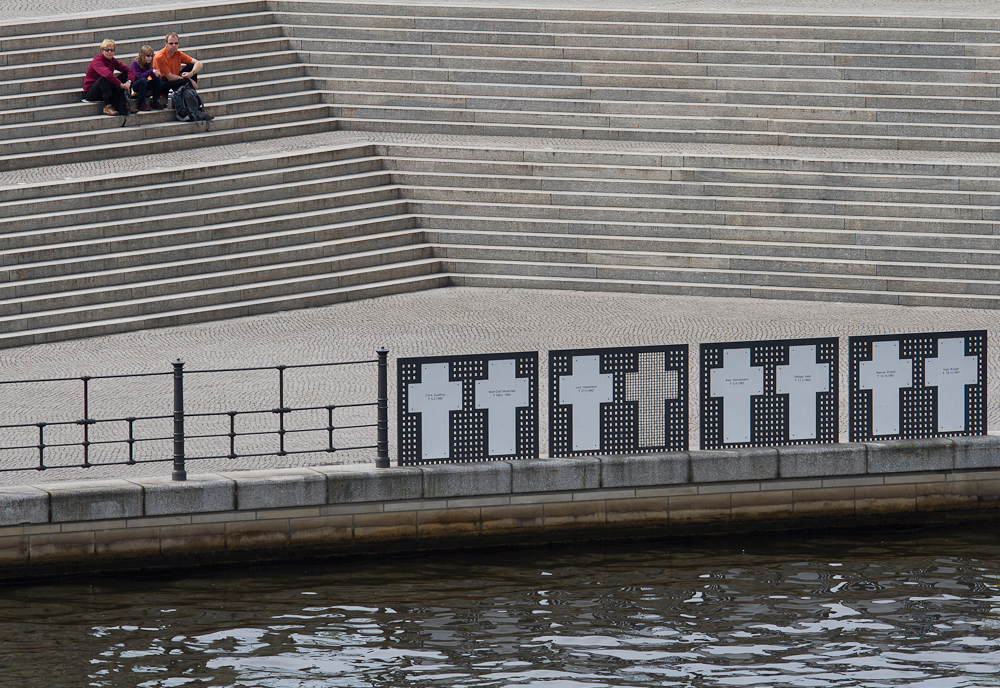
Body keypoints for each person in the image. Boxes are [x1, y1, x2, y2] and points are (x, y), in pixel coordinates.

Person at [82, 39, 134, 116]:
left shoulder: (113, 61)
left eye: (111, 50)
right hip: (92, 92)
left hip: (106, 88)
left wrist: (129, 82)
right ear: (102, 51)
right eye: (107, 50)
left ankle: (124, 105)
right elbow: (107, 74)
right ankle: (107, 106)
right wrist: (120, 85)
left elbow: (130, 70)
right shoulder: (97, 60)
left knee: (125, 75)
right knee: (105, 78)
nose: (109, 52)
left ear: (114, 52)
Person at [152, 32, 204, 102]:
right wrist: (189, 79)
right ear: (166, 44)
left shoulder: (178, 53)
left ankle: (191, 97)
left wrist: (191, 74)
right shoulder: (160, 57)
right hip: (161, 82)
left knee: (191, 66)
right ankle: (192, 99)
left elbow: (199, 63)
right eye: (171, 43)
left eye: (176, 43)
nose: (174, 45)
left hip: (174, 77)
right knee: (185, 81)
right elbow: (170, 77)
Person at [130, 45, 164, 112]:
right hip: (136, 85)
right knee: (143, 80)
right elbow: (139, 76)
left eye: (151, 56)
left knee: (158, 80)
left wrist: (156, 75)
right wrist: (151, 71)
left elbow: (151, 75)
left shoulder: (149, 63)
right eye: (148, 56)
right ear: (141, 55)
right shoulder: (135, 63)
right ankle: (141, 103)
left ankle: (155, 100)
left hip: (144, 83)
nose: (150, 58)